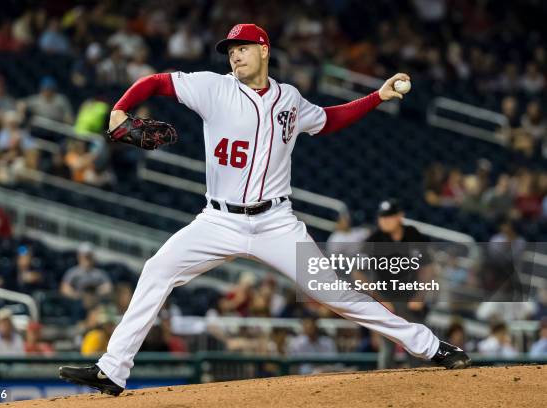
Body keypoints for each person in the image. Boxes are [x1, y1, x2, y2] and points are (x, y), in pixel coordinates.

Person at [60, 23, 470, 396]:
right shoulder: (213, 88)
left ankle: (430, 345)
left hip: (277, 222)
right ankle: (112, 370)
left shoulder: (288, 98)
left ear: (264, 50)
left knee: (334, 292)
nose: (234, 55)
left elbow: (327, 119)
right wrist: (119, 110)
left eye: (242, 48)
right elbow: (156, 82)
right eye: (230, 50)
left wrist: (377, 96)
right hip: (218, 220)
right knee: (157, 270)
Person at [364, 199, 434, 369]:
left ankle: (421, 386)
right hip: (386, 297)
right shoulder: (374, 239)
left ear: (400, 216)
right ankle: (385, 388)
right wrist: (379, 300)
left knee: (416, 344)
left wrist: (420, 296)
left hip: (410, 297)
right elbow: (358, 273)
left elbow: (427, 267)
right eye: (382, 217)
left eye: (389, 216)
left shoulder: (413, 234)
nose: (385, 221)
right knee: (388, 347)